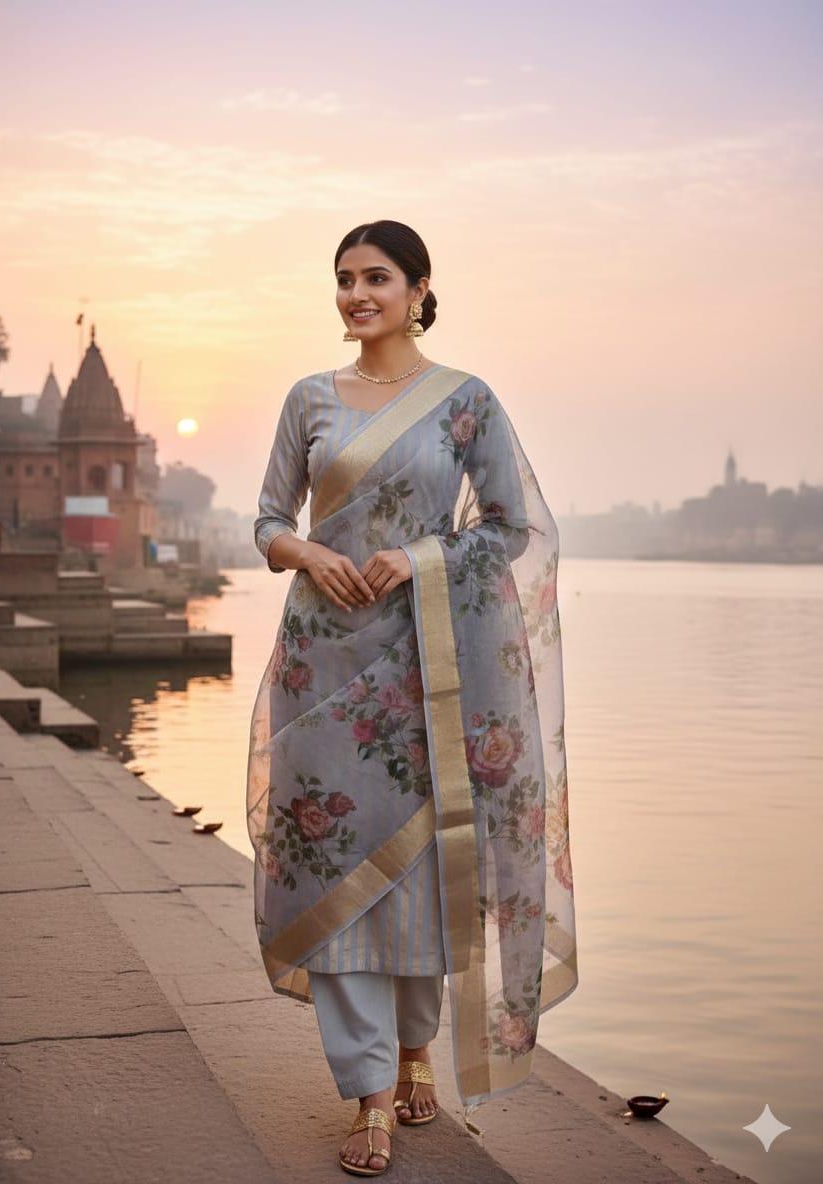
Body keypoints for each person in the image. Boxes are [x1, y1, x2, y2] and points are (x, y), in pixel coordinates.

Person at [247, 220, 578, 1177]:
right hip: (322, 665)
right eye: (344, 280)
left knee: (422, 869)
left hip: (428, 666)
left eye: (377, 279)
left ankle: (417, 1042)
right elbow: (269, 516)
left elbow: (514, 527)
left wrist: (418, 556)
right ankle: (369, 1092)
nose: (357, 296)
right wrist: (308, 549)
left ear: (420, 288)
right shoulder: (310, 399)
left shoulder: (465, 402)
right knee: (331, 862)